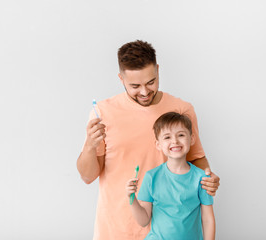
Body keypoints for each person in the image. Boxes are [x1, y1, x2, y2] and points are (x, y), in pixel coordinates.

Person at [77, 40, 220, 240]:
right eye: (135, 86)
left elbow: (197, 159)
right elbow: (87, 176)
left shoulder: (181, 110)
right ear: (121, 79)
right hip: (115, 229)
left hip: (169, 231)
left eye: (151, 82)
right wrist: (90, 147)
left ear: (158, 70)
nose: (144, 92)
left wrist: (209, 179)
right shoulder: (102, 112)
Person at [126, 112, 215, 240]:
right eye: (167, 137)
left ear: (192, 138)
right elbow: (144, 220)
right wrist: (132, 199)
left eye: (181, 135)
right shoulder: (151, 177)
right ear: (158, 144)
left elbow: (208, 220)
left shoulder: (202, 178)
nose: (174, 141)